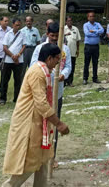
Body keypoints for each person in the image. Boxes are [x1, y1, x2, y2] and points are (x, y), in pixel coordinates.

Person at [2, 43, 69, 187]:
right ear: (49, 58)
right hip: (29, 123)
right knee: (29, 163)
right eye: (57, 58)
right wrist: (59, 123)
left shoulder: (45, 71)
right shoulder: (37, 73)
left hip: (39, 122)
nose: (58, 62)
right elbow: (41, 104)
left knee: (42, 161)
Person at [30, 22, 71, 163]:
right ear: (47, 34)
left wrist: (63, 75)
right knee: (39, 124)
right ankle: (38, 155)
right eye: (52, 35)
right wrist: (49, 73)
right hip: (42, 92)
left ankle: (52, 157)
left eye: (56, 36)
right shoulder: (40, 48)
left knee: (54, 123)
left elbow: (68, 66)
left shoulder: (64, 49)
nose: (54, 38)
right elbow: (34, 67)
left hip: (57, 92)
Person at [0, 18, 26, 105]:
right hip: (8, 60)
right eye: (16, 25)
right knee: (4, 80)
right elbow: (5, 48)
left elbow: (24, 46)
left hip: (19, 61)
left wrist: (18, 55)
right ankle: (3, 99)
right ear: (13, 25)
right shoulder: (8, 34)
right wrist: (12, 56)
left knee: (18, 80)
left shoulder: (22, 34)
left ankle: (17, 98)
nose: (18, 26)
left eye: (19, 25)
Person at [83, 11, 104, 85]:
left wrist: (93, 31)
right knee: (87, 63)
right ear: (88, 17)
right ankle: (85, 78)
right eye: (90, 16)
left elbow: (102, 30)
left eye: (93, 16)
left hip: (96, 46)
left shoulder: (97, 24)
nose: (92, 17)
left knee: (95, 62)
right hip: (88, 46)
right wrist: (97, 33)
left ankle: (95, 78)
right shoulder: (85, 25)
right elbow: (87, 33)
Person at [64, 16, 81, 87]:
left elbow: (77, 40)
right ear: (66, 21)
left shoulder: (75, 29)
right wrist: (65, 34)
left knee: (72, 67)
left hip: (73, 51)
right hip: (64, 53)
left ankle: (70, 81)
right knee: (64, 66)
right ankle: (64, 81)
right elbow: (59, 37)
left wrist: (77, 50)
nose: (69, 22)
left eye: (71, 21)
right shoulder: (63, 29)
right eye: (68, 21)